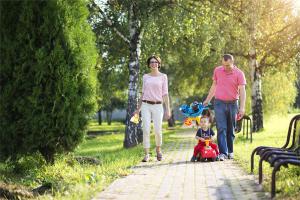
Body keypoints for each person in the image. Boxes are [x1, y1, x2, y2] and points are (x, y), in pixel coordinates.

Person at [203, 54, 246, 161]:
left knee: (231, 129)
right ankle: (223, 153)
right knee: (221, 128)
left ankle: (230, 151)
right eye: (223, 65)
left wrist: (242, 108)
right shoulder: (218, 70)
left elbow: (242, 91)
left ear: (232, 62)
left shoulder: (239, 73)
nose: (225, 67)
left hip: (233, 103)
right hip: (219, 103)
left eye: (227, 65)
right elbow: (214, 86)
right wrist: (207, 100)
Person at [134, 55, 171, 162]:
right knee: (145, 129)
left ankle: (158, 151)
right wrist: (138, 109)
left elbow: (165, 94)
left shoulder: (163, 76)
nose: (154, 64)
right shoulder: (145, 77)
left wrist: (167, 109)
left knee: (157, 130)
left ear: (159, 64)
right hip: (146, 105)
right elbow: (143, 93)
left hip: (158, 106)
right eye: (151, 62)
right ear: (149, 65)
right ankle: (146, 154)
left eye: (155, 62)